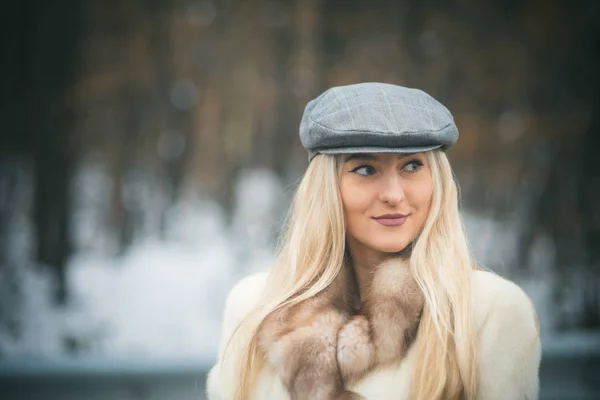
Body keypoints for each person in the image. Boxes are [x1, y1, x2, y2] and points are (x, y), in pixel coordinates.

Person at [206, 82, 541, 400]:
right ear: (326, 190)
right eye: (365, 170)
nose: (394, 195)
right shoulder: (254, 308)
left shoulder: (490, 313)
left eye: (412, 166)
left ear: (437, 181)